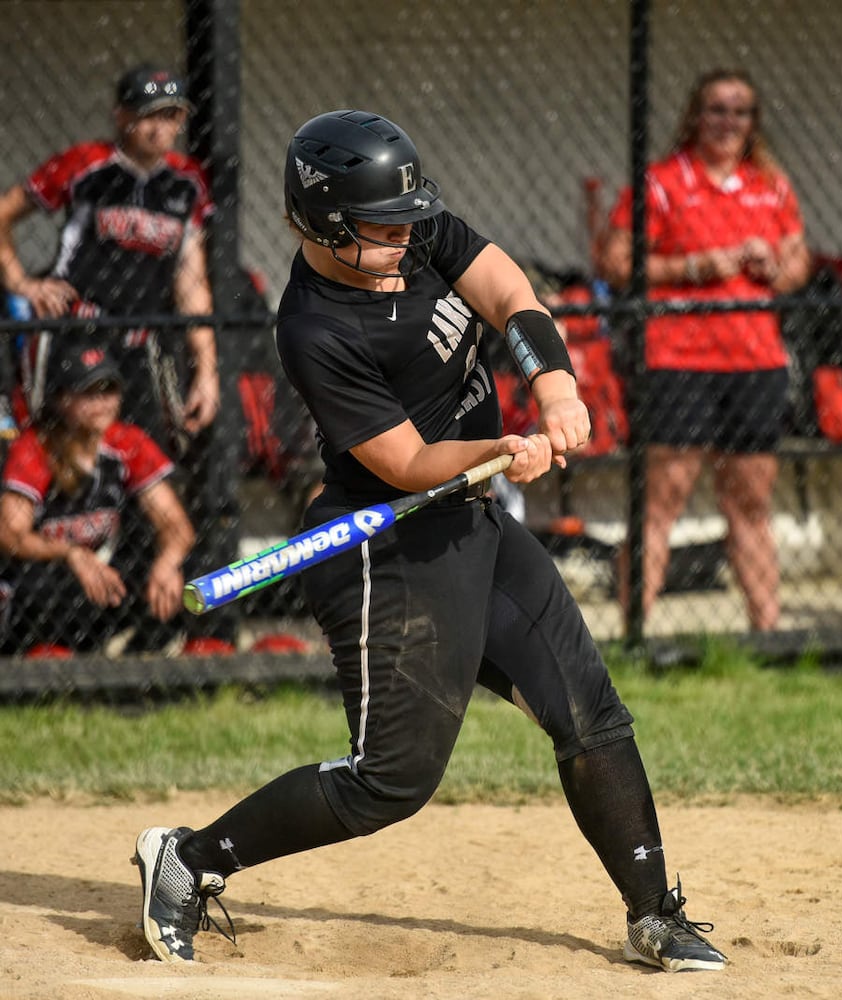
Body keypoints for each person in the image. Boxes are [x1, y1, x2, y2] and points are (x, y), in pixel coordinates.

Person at [131, 109, 727, 974]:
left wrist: (554, 393)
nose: (406, 239)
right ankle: (186, 862)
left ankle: (652, 916)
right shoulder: (314, 328)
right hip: (388, 547)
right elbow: (408, 461)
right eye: (381, 229)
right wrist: (497, 448)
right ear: (325, 226)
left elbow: (510, 297)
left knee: (587, 710)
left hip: (471, 519)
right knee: (391, 783)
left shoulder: (409, 224)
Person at [0, 63, 242, 654]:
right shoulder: (83, 167)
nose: (163, 129)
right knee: (47, 461)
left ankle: (129, 618)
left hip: (140, 349)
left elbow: (191, 281)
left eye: (174, 116)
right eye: (151, 116)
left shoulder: (187, 183)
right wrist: (23, 284)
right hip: (70, 341)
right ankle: (36, 614)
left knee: (141, 470)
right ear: (122, 117)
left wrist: (206, 369)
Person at [598, 68, 811, 631]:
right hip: (679, 360)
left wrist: (776, 267)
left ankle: (768, 635)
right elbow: (616, 264)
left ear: (753, 121)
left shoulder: (771, 184)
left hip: (755, 360)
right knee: (661, 501)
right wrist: (694, 267)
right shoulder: (662, 183)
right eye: (717, 109)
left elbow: (799, 263)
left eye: (740, 111)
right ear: (695, 115)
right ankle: (634, 635)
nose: (728, 121)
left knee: (751, 504)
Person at [0, 337, 192, 656]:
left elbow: (175, 523)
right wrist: (72, 554)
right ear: (62, 400)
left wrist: (168, 562)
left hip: (101, 579)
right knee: (45, 579)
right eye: (88, 393)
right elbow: (9, 535)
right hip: (44, 582)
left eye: (109, 390)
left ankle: (140, 663)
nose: (102, 402)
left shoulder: (127, 442)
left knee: (182, 569)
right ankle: (44, 657)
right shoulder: (35, 448)